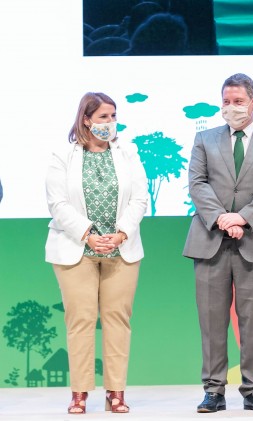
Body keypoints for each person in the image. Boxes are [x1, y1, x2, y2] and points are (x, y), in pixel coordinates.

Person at [183, 73, 253, 413]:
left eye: (238, 102)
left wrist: (242, 218)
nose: (231, 108)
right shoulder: (204, 139)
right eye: (226, 102)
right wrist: (221, 218)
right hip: (210, 239)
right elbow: (197, 183)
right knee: (212, 321)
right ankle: (213, 390)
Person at [45, 92, 148, 414]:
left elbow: (140, 198)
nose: (110, 123)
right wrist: (88, 235)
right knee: (81, 320)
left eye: (113, 116)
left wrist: (120, 234)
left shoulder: (128, 152)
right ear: (86, 119)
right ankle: (80, 393)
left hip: (122, 249)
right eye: (103, 117)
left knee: (118, 320)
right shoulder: (63, 154)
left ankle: (116, 392)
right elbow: (57, 203)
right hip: (76, 249)